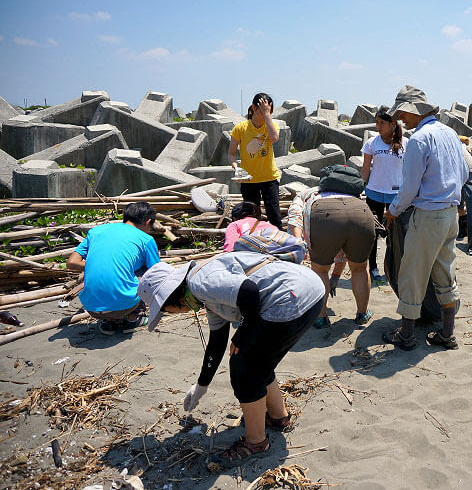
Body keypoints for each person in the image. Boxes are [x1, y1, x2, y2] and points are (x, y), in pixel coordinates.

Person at [137, 251, 325, 469]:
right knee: (259, 360)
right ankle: (278, 417)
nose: (171, 314)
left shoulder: (199, 283)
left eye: (165, 311)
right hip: (309, 290)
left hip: (289, 298)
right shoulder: (205, 294)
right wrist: (201, 385)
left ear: (172, 300)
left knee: (243, 367)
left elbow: (249, 292)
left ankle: (256, 442)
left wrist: (243, 332)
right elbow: (217, 341)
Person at [382, 85, 469, 351]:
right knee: (445, 270)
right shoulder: (450, 133)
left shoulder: (420, 139)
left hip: (429, 215)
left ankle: (406, 335)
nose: (401, 119)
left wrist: (393, 210)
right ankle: (447, 333)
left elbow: (410, 187)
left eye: (403, 114)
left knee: (412, 273)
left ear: (413, 110)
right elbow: (464, 172)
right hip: (450, 214)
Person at [287, 179, 375, 328]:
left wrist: (298, 243)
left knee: (320, 270)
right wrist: (335, 277)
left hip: (325, 215)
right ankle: (362, 314)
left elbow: (295, 220)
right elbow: (343, 246)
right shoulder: (349, 191)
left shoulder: (303, 194)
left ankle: (321, 317)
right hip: (361, 212)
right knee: (360, 268)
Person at [66, 202, 160, 335]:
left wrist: (99, 263)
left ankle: (110, 322)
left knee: (121, 271)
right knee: (144, 271)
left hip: (92, 308)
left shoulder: (96, 231)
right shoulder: (146, 239)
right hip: (124, 306)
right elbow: (156, 272)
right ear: (148, 222)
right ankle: (134, 317)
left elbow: (71, 262)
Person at [361, 106, 408, 281]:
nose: (378, 126)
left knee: (395, 235)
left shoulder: (406, 143)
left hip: (396, 196)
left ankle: (393, 268)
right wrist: (359, 188)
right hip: (373, 194)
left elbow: (410, 171)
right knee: (372, 233)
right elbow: (365, 169)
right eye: (376, 122)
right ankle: (372, 267)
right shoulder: (372, 143)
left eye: (381, 123)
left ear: (392, 124)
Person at [228, 93, 283, 229]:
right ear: (253, 108)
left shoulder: (272, 125)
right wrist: (236, 168)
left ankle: (279, 245)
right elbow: (231, 154)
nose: (265, 114)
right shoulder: (240, 128)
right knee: (251, 218)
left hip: (269, 178)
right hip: (248, 180)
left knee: (274, 217)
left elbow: (274, 138)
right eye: (262, 110)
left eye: (268, 110)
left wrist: (267, 115)